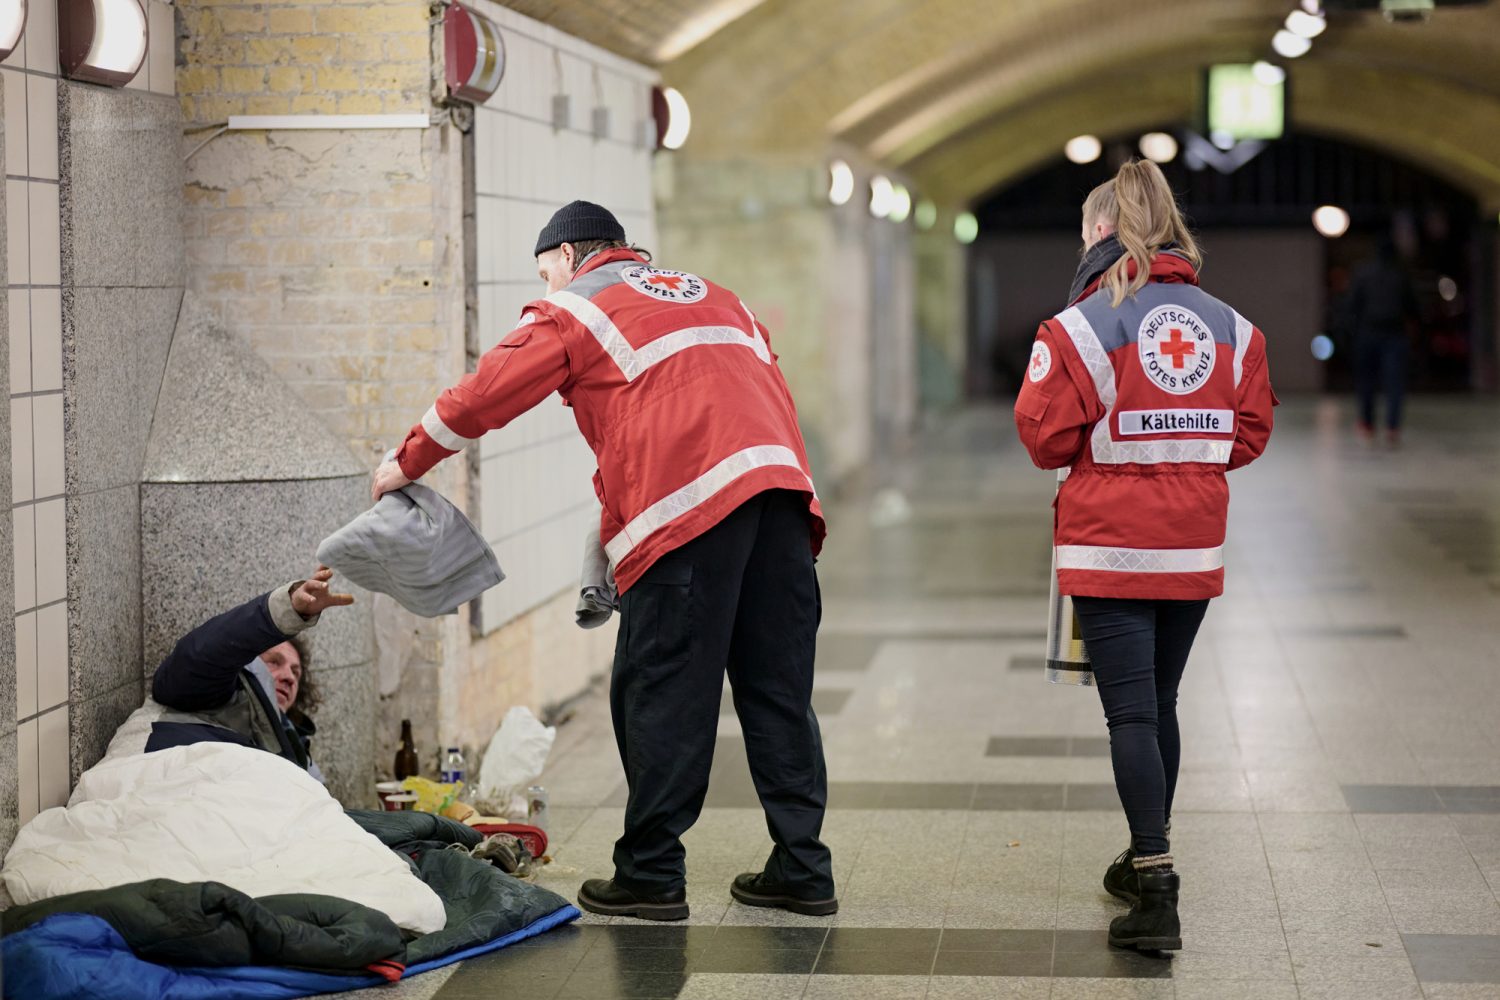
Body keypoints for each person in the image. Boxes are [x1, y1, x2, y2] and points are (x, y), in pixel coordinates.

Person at [371, 201, 836, 921]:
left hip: (691, 515)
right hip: (780, 497)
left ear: (566, 256)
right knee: (778, 690)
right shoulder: (720, 297)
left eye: (544, 273)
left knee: (661, 691)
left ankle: (651, 872)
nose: (546, 285)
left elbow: (485, 393)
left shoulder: (578, 307)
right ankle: (803, 868)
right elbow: (733, 399)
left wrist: (406, 462)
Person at [1013, 161, 1276, 952]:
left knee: (1128, 711)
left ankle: (1157, 888)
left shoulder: (1080, 327)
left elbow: (1043, 438)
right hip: (1191, 545)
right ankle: (1140, 856)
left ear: (1101, 230)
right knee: (1160, 703)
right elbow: (1249, 435)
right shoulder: (1235, 329)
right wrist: (1184, 466)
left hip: (1109, 547)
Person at [106, 568, 354, 778]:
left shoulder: (296, 749)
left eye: (296, 672)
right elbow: (204, 654)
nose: (289, 677)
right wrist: (287, 611)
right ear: (248, 664)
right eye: (274, 662)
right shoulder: (218, 691)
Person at [1349, 239, 1419, 446]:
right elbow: (1413, 306)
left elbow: (1352, 305)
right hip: (1394, 334)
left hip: (1368, 333)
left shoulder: (1363, 273)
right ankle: (1392, 427)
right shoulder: (1401, 275)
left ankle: (1367, 424)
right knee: (1394, 383)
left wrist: (1351, 333)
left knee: (1366, 381)